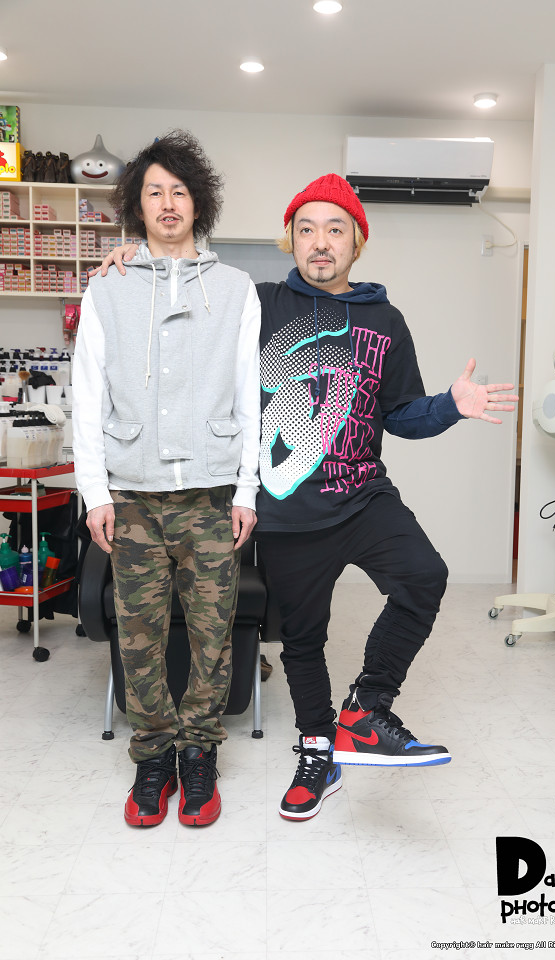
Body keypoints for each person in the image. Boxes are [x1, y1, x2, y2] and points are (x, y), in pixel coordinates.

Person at [99, 172, 517, 823]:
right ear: (290, 240)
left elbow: (403, 414)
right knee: (303, 640)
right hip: (286, 510)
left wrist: (450, 406)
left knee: (424, 576)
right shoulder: (255, 301)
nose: (320, 242)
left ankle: (366, 710)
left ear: (357, 242)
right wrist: (136, 257)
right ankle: (318, 751)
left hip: (364, 496)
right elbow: (183, 287)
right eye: (307, 229)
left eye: (335, 229)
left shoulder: (386, 320)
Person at [73, 130, 260, 828]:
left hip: (211, 494)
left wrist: (247, 490)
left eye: (179, 190)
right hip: (132, 497)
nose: (168, 202)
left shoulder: (235, 289)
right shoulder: (108, 286)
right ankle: (152, 756)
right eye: (154, 191)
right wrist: (95, 492)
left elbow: (250, 394)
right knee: (139, 636)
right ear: (138, 204)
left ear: (198, 202)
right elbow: (87, 395)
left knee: (212, 635)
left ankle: (199, 754)